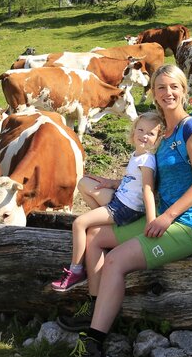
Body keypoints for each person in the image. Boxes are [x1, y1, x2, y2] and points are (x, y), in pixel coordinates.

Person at [49, 64, 192, 357]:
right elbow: (147, 179)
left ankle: (93, 351)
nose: (168, 93)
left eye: (174, 87)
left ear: (184, 90)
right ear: (153, 92)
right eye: (161, 87)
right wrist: (110, 181)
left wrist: (166, 217)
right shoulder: (163, 134)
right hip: (160, 218)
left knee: (116, 262)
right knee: (96, 236)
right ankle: (95, 309)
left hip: (188, 225)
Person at [50, 112, 164, 292]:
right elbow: (131, 181)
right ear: (134, 132)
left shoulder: (146, 160)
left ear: (157, 139)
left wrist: (151, 220)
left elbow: (148, 189)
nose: (144, 135)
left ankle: (76, 270)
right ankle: (103, 221)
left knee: (79, 223)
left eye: (151, 133)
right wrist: (109, 182)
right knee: (84, 183)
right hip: (121, 200)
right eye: (141, 130)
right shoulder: (138, 154)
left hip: (125, 208)